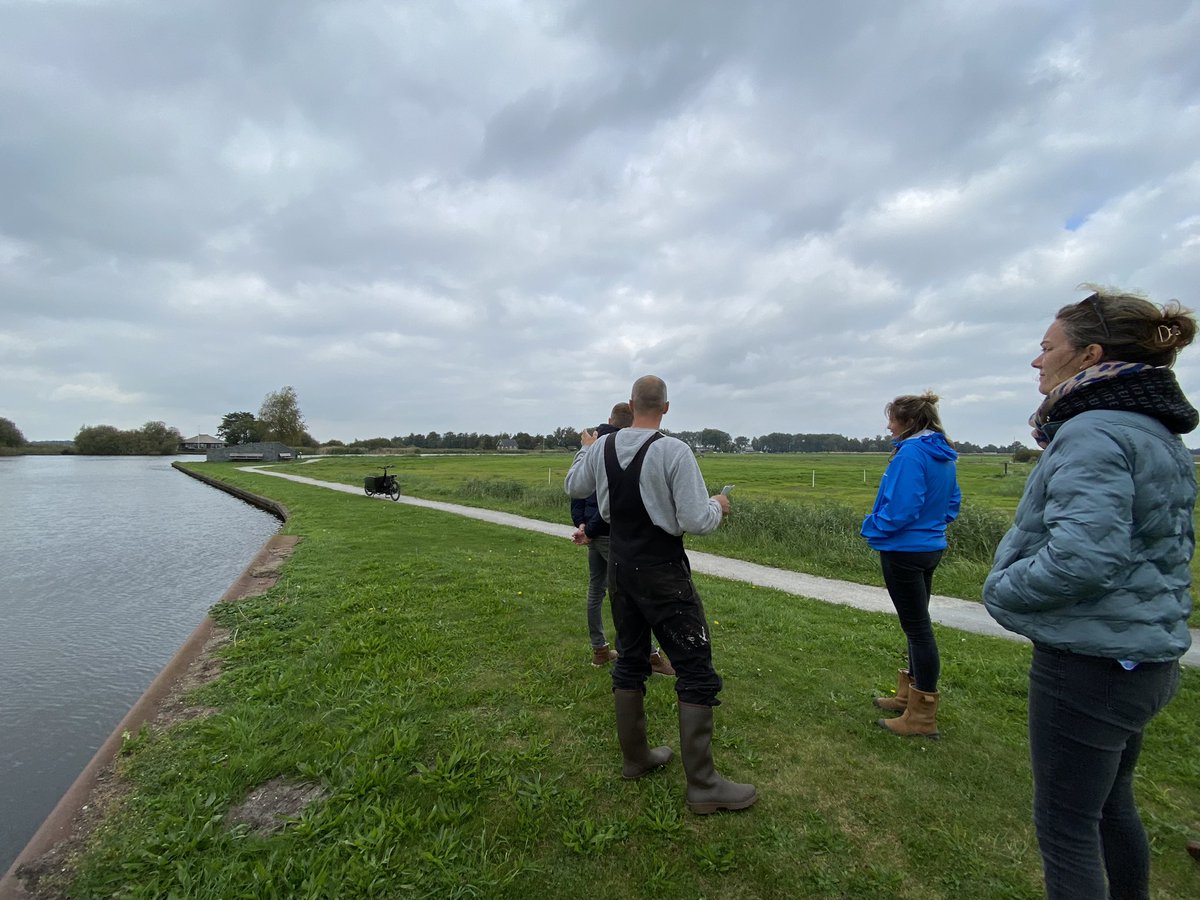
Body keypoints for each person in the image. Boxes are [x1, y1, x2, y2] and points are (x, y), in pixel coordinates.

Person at [983, 285, 1197, 900]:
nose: (1036, 360)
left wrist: (1002, 588)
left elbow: (1082, 558)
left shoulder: (1093, 432)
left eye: (1047, 347)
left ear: (1088, 357)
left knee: (1066, 826)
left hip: (1089, 665)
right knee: (1108, 806)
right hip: (1143, 657)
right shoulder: (1155, 433)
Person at [565, 375, 756, 813]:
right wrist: (718, 506)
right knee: (694, 668)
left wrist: (589, 445)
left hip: (620, 569)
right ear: (666, 408)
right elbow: (695, 519)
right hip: (663, 573)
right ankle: (704, 785)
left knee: (631, 659)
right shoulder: (674, 450)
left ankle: (636, 758)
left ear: (632, 405)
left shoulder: (603, 448)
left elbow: (574, 487)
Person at [860, 392, 961, 738]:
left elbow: (902, 507)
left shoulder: (911, 454)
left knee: (918, 628)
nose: (888, 425)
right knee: (916, 624)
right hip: (930, 546)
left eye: (892, 419)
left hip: (904, 549)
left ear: (908, 422)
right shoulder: (943, 453)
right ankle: (909, 695)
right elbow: (953, 502)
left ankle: (921, 715)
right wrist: (933, 526)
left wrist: (872, 527)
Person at [570, 402, 675, 676]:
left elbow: (579, 492)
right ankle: (650, 655)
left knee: (596, 590)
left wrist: (580, 523)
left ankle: (600, 650)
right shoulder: (614, 448)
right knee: (636, 591)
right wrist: (590, 530)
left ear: (608, 418)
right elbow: (612, 503)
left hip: (594, 530)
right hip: (609, 534)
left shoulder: (594, 444)